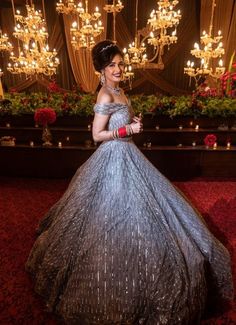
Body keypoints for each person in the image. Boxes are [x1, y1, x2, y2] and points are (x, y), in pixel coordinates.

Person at [26, 40, 233, 324]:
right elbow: (97, 136)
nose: (119, 69)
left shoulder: (120, 91)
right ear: (101, 69)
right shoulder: (104, 96)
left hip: (129, 153)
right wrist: (127, 128)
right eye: (112, 65)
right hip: (112, 159)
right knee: (111, 217)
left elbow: (120, 126)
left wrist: (132, 122)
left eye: (121, 63)